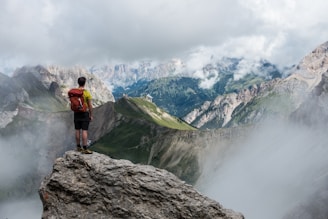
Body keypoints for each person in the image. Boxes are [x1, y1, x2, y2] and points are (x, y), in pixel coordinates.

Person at [74, 76, 93, 154]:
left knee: (77, 130)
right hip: (85, 113)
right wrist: (91, 115)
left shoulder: (74, 92)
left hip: (76, 113)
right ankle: (85, 148)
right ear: (84, 83)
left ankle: (78, 147)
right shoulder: (86, 93)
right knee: (84, 130)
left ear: (78, 83)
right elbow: (90, 105)